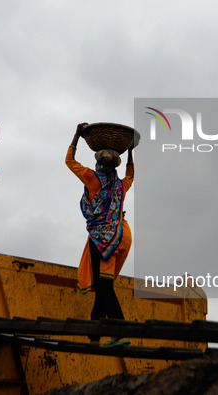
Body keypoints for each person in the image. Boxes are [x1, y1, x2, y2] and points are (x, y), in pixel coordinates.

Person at [66, 123, 134, 346]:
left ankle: (120, 330)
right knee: (102, 287)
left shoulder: (91, 178)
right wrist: (131, 151)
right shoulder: (120, 185)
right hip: (122, 234)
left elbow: (69, 162)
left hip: (103, 239)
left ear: (98, 161)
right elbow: (131, 175)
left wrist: (76, 135)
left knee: (104, 288)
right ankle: (94, 338)